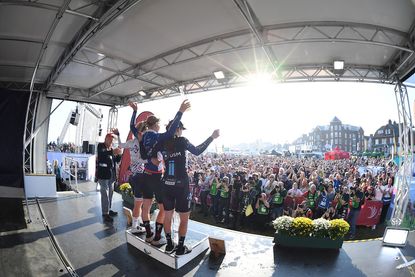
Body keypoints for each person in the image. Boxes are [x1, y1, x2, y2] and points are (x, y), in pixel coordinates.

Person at [161, 120, 220, 255]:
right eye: (181, 129)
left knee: (167, 216)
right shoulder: (182, 140)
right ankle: (180, 247)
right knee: (184, 218)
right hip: (181, 184)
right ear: (178, 129)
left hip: (166, 183)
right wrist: (212, 137)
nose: (182, 132)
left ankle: (169, 245)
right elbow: (198, 151)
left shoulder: (162, 142)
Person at [140, 100, 191, 245]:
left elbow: (145, 156)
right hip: (160, 179)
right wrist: (180, 112)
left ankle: (151, 236)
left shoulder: (145, 137)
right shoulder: (162, 137)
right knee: (164, 211)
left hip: (147, 175)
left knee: (147, 207)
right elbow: (170, 132)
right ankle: (157, 237)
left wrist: (151, 159)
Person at [116, 102, 147, 233]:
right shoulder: (142, 143)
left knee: (138, 203)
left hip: (134, 177)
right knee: (139, 203)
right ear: (141, 132)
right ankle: (135, 226)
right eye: (145, 131)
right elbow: (146, 159)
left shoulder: (131, 142)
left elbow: (120, 145)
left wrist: (118, 135)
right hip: (140, 177)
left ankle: (137, 223)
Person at [96, 133, 122, 223]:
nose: (111, 141)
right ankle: (105, 213)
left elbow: (116, 161)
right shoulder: (101, 146)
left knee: (110, 193)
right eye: (110, 139)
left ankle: (108, 209)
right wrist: (113, 152)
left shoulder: (111, 149)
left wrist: (119, 155)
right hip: (103, 175)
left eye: (112, 140)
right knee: (105, 194)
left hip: (111, 175)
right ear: (106, 139)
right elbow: (102, 155)